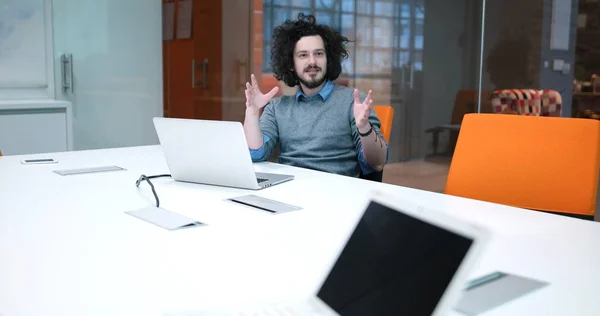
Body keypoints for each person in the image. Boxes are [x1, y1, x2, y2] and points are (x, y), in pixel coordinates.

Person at [243, 13, 388, 178]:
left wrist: (364, 128)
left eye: (319, 53)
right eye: (303, 55)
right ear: (291, 64)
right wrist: (252, 112)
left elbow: (377, 163)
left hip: (336, 195)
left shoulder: (353, 102)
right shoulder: (277, 108)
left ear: (328, 59)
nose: (312, 62)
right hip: (289, 191)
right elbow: (256, 155)